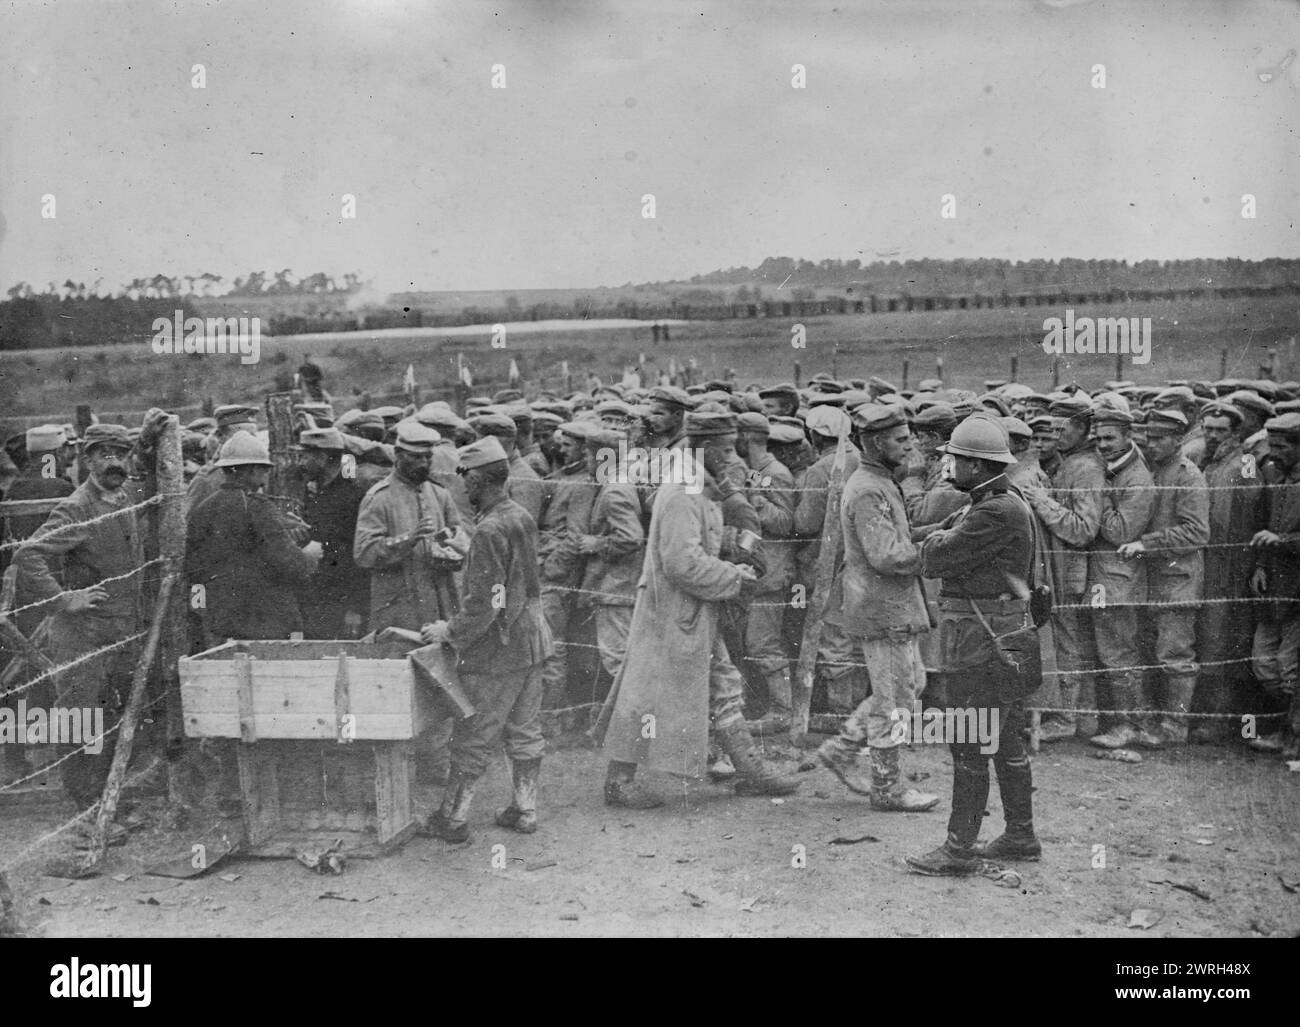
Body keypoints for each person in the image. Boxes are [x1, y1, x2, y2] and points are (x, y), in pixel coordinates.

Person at [594, 409, 800, 808]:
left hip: (691, 610)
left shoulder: (697, 485)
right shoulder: (684, 492)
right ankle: (618, 781)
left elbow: (699, 541)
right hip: (669, 613)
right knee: (643, 694)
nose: (731, 459)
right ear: (701, 447)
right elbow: (681, 563)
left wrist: (728, 546)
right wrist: (735, 576)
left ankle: (749, 769)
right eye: (723, 450)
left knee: (723, 683)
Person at [906, 416, 1040, 875]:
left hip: (981, 643)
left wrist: (932, 541)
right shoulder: (995, 500)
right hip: (1000, 639)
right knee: (1004, 741)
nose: (948, 467)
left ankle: (958, 849)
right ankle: (1020, 835)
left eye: (956, 460)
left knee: (968, 743)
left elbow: (934, 555)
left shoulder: (994, 510)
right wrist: (932, 537)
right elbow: (933, 535)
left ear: (978, 466)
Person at [419, 436, 554, 841]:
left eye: (466, 479)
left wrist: (448, 632)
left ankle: (453, 818)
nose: (463, 486)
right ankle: (525, 809)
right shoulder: (519, 516)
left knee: (474, 733)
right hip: (533, 639)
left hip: (500, 650)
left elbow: (484, 604)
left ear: (477, 481)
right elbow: (520, 581)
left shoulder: (489, 530)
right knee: (526, 729)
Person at [816, 405, 940, 812]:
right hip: (882, 608)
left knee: (910, 684)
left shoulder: (881, 481)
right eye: (901, 439)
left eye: (909, 437)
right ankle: (888, 788)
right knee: (894, 701)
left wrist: (937, 531)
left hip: (891, 606)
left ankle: (843, 747)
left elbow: (895, 538)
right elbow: (886, 555)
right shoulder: (869, 488)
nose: (910, 445)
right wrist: (939, 550)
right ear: (874, 443)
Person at [15, 424, 146, 805]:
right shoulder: (77, 507)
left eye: (121, 454)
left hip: (118, 632)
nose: (114, 462)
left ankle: (107, 798)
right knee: (79, 718)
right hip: (82, 634)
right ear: (87, 459)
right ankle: (83, 808)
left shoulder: (127, 497)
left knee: (110, 715)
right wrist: (63, 599)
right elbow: (29, 555)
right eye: (104, 454)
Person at [1019, 397, 1105, 742]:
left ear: (1082, 429)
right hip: (1058, 566)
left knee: (1069, 644)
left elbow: (1083, 529)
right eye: (1050, 428)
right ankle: (1079, 717)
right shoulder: (1068, 463)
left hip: (1070, 569)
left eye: (1061, 428)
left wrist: (1040, 500)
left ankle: (1069, 717)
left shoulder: (1085, 468)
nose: (1054, 435)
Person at [185, 431, 322, 643]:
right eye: (263, 469)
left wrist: (201, 610)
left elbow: (193, 569)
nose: (265, 476)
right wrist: (309, 554)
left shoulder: (204, 508)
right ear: (250, 470)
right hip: (265, 618)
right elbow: (292, 565)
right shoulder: (258, 507)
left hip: (221, 618)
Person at [1126, 408, 1209, 747]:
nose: (1152, 444)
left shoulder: (1187, 475)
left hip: (1179, 580)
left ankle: (1175, 725)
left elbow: (1197, 532)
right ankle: (1160, 721)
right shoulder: (1156, 469)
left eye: (1159, 439)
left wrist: (1148, 543)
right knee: (1155, 651)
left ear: (1178, 439)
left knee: (1175, 654)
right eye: (1148, 438)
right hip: (1156, 578)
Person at [353, 422, 467, 634]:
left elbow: (459, 539)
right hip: (398, 608)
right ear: (397, 454)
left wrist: (451, 545)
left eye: (428, 457)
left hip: (440, 604)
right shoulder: (378, 498)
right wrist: (408, 540)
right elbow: (363, 553)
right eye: (415, 457)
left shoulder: (440, 494)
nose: (423, 463)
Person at [1087, 407, 1157, 749]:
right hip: (1103, 578)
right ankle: (1118, 720)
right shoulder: (1113, 470)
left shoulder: (1137, 479)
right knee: (1108, 650)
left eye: (1109, 438)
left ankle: (1130, 723)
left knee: (1119, 652)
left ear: (1129, 437)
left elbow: (1120, 531)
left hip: (1118, 579)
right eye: (1098, 438)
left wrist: (1093, 495)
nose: (1102, 445)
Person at [1194, 402, 1263, 742]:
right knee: (1207, 640)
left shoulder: (1245, 463)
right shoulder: (1207, 461)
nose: (1211, 435)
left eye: (1220, 430)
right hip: (1207, 562)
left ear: (1236, 433)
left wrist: (1245, 562)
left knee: (1221, 643)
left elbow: (1252, 512)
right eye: (1207, 429)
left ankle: (1219, 721)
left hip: (1231, 565)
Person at [735, 412, 797, 733]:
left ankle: (783, 711)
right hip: (754, 572)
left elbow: (786, 523)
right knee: (750, 645)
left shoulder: (776, 473)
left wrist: (754, 499)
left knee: (764, 645)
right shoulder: (751, 471)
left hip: (771, 574)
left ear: (747, 437)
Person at [569, 427, 644, 683]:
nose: (587, 462)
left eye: (590, 456)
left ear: (603, 458)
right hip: (616, 587)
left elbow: (631, 538)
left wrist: (597, 544)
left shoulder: (615, 490)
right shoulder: (616, 485)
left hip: (616, 588)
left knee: (618, 660)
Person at [1247, 411, 1300, 759]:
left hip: (1298, 592)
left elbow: (1276, 533)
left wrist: (1282, 541)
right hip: (1274, 590)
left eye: (1282, 447)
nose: (1274, 453)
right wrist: (1261, 566)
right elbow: (1265, 523)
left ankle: (1292, 736)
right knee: (1264, 665)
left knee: (1290, 669)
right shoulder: (1272, 475)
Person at [298, 427, 369, 639]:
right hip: (318, 595)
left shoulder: (353, 496)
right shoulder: (315, 491)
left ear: (321, 457)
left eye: (305, 456)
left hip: (343, 598)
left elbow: (358, 557)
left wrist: (354, 609)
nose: (301, 463)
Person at [186, 404, 259, 509]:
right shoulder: (208, 480)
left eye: (254, 435)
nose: (253, 441)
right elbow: (192, 521)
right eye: (245, 436)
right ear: (221, 437)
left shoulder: (256, 470)